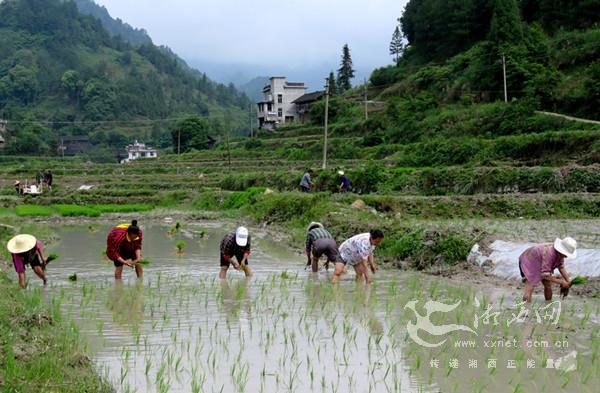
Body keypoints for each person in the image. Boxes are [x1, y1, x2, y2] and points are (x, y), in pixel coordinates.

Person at [519, 237, 576, 303]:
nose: (566, 256)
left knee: (548, 285)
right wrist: (561, 282)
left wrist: (568, 281)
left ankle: (548, 305)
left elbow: (561, 267)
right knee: (530, 286)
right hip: (529, 260)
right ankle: (526, 310)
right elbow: (545, 275)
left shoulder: (560, 254)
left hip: (540, 260)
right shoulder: (549, 254)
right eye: (566, 254)